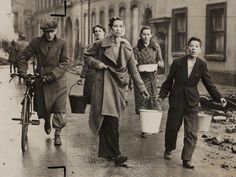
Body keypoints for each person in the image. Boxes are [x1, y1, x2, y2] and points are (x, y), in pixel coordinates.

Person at [83, 17, 149, 166]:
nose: (118, 29)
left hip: (119, 85)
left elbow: (133, 69)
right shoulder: (101, 43)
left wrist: (142, 88)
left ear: (123, 29)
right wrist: (97, 63)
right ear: (111, 29)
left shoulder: (126, 46)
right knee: (111, 119)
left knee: (109, 119)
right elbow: (87, 56)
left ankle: (107, 153)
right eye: (115, 26)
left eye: (120, 26)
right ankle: (117, 154)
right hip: (104, 82)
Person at [158, 37, 227, 168]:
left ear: (200, 50)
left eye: (196, 46)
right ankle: (169, 148)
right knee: (172, 127)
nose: (194, 48)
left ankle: (187, 158)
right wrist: (162, 95)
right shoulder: (177, 63)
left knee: (191, 131)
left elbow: (209, 83)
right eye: (191, 46)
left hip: (192, 101)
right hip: (177, 99)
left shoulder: (201, 65)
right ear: (187, 48)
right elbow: (168, 81)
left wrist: (219, 97)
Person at [17, 19, 70, 146]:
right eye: (46, 32)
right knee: (46, 108)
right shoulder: (36, 42)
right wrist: (23, 73)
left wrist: (53, 75)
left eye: (51, 31)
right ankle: (47, 119)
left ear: (55, 31)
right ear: (43, 32)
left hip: (58, 81)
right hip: (42, 79)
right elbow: (23, 57)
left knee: (60, 111)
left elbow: (65, 62)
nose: (49, 34)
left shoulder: (62, 43)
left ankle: (57, 134)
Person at [133, 26, 164, 138]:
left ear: (151, 35)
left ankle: (153, 126)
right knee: (143, 102)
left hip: (153, 78)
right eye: (144, 34)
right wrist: (136, 63)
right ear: (141, 35)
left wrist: (159, 63)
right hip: (141, 79)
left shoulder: (155, 46)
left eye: (148, 34)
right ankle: (144, 129)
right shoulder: (136, 48)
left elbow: (160, 61)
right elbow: (134, 63)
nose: (146, 37)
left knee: (155, 100)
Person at [80, 25, 106, 104]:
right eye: (95, 31)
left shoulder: (107, 45)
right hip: (91, 74)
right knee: (92, 99)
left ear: (104, 32)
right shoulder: (90, 46)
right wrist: (82, 76)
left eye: (99, 31)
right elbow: (86, 63)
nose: (97, 33)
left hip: (104, 73)